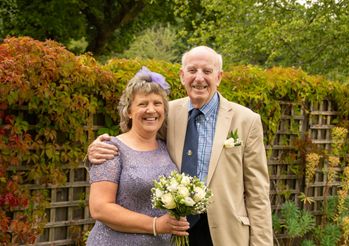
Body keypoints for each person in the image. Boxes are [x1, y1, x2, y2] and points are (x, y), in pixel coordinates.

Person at [88, 46, 273, 245]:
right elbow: (136, 140)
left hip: (225, 233)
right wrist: (95, 149)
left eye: (207, 71)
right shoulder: (167, 111)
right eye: (192, 71)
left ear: (219, 77)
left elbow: (257, 193)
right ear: (182, 76)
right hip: (174, 231)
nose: (199, 78)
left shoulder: (246, 120)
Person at [86, 67, 190, 246]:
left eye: (157, 104)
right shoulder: (111, 149)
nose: (151, 110)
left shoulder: (167, 146)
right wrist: (156, 224)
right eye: (143, 104)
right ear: (128, 111)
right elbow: (99, 208)